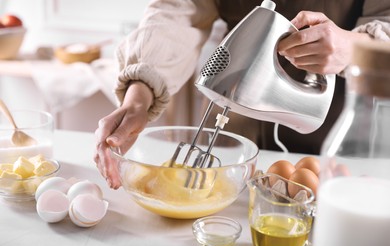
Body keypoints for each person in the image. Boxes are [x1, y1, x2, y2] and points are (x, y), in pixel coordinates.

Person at [94, 0, 390, 189]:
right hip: (230, 122)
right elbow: (178, 11)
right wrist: (138, 96)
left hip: (333, 132)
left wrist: (353, 45)